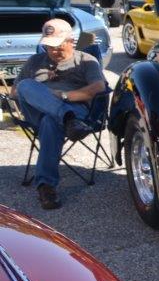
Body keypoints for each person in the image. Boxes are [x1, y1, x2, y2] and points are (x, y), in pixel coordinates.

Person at [9, 19, 104, 209]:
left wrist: (64, 95)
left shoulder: (86, 60)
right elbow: (14, 92)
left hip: (76, 108)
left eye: (57, 45)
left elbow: (99, 87)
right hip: (41, 112)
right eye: (48, 46)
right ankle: (67, 118)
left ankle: (46, 186)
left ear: (71, 41)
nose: (52, 51)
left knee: (50, 121)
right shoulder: (35, 61)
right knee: (26, 85)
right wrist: (43, 94)